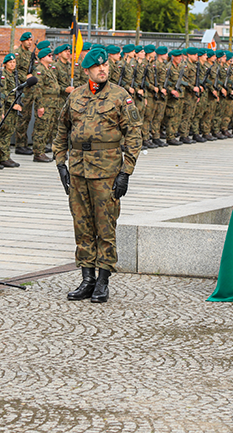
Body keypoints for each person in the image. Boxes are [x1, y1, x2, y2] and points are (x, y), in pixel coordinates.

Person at [54, 46, 143, 303]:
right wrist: (61, 163)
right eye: (97, 67)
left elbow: (134, 135)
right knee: (82, 225)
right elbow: (61, 129)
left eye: (105, 66)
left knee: (105, 226)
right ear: (87, 71)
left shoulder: (120, 96)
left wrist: (126, 172)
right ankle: (87, 279)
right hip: (78, 170)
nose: (103, 69)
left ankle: (103, 280)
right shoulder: (76, 97)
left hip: (106, 171)